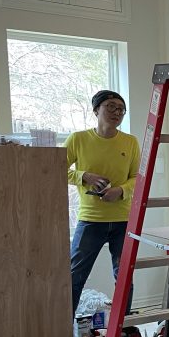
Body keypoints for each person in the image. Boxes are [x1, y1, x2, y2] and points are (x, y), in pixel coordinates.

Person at [66, 90, 140, 316]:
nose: (116, 112)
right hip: (91, 219)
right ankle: (63, 329)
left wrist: (120, 191)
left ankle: (123, 328)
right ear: (96, 109)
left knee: (124, 277)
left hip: (123, 220)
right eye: (111, 106)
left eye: (121, 109)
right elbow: (54, 168)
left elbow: (138, 178)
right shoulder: (78, 139)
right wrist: (84, 176)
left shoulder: (130, 142)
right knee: (74, 276)